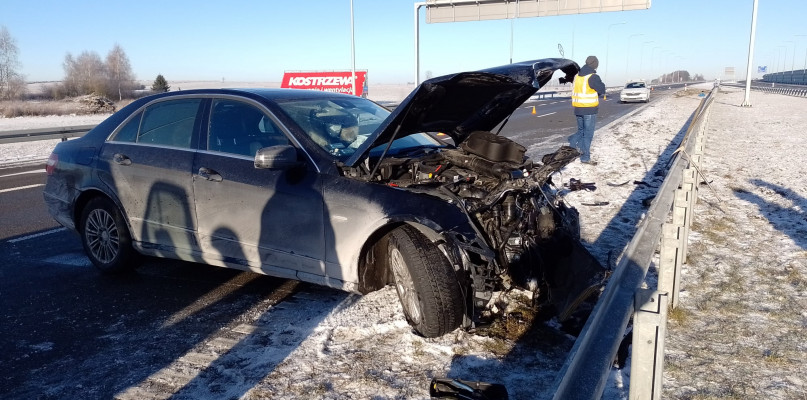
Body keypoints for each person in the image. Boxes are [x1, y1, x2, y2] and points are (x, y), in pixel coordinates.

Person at [569, 55, 606, 165]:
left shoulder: (578, 76)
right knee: (588, 134)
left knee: (581, 131)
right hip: (589, 109)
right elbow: (602, 89)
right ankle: (585, 157)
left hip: (578, 109)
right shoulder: (593, 76)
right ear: (595, 64)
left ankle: (572, 147)